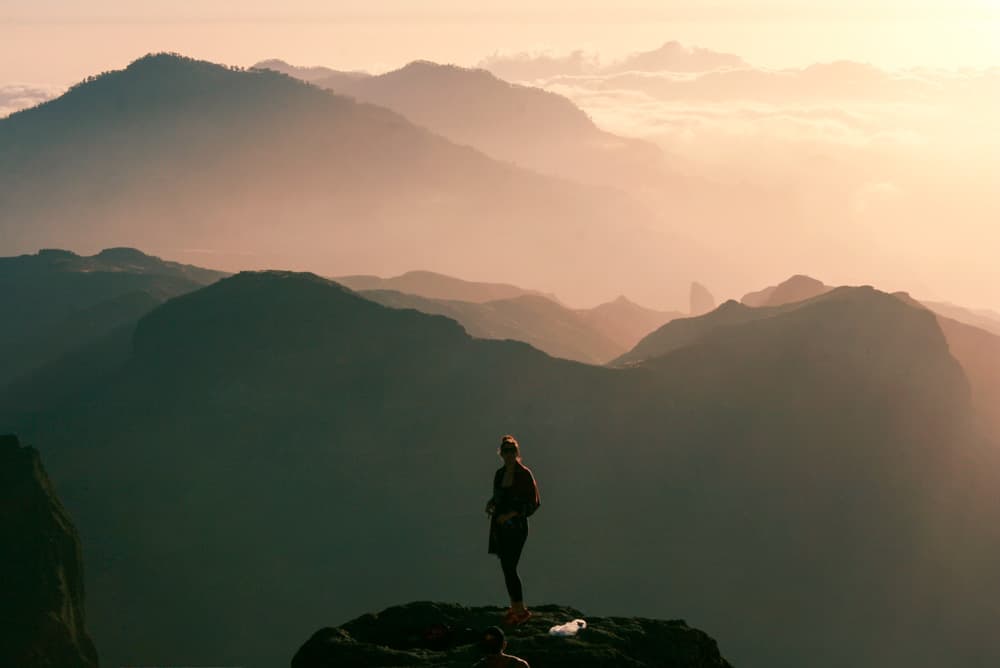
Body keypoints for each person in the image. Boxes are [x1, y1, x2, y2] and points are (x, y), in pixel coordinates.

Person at [485, 434, 541, 626]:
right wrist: (491, 504)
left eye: (511, 451)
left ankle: (520, 610)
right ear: (502, 454)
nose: (509, 455)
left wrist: (511, 514)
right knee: (506, 567)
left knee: (510, 565)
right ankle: (516, 607)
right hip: (500, 528)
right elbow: (499, 497)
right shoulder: (499, 474)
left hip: (516, 528)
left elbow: (533, 503)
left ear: (516, 453)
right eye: (505, 452)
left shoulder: (524, 474)